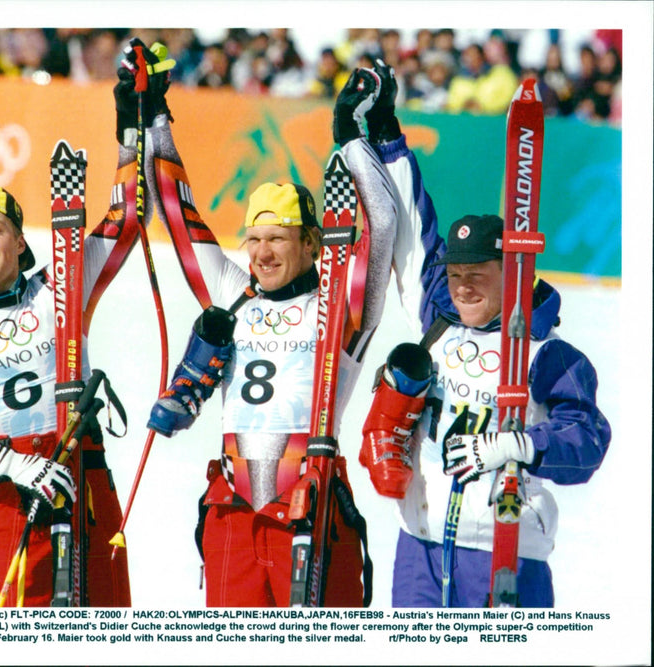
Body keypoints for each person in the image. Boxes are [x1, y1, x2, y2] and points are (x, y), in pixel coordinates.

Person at [112, 39, 403, 607]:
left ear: (313, 244)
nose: (262, 253)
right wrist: (149, 116)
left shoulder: (338, 300)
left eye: (278, 239)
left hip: (311, 508)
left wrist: (353, 139)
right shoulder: (231, 291)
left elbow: (384, 226)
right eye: (254, 240)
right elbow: (177, 210)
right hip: (231, 514)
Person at [352, 63, 611, 606]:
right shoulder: (438, 319)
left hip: (506, 552)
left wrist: (521, 444)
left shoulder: (547, 353)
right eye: (456, 275)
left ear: (511, 274)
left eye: (478, 275)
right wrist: (385, 133)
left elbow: (587, 441)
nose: (463, 287)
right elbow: (411, 230)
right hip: (419, 549)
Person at [0, 148, 152, 604]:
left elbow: (128, 221)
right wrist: (15, 464)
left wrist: (129, 137)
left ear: (19, 242)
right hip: (11, 497)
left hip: (84, 479)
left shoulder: (58, 287)